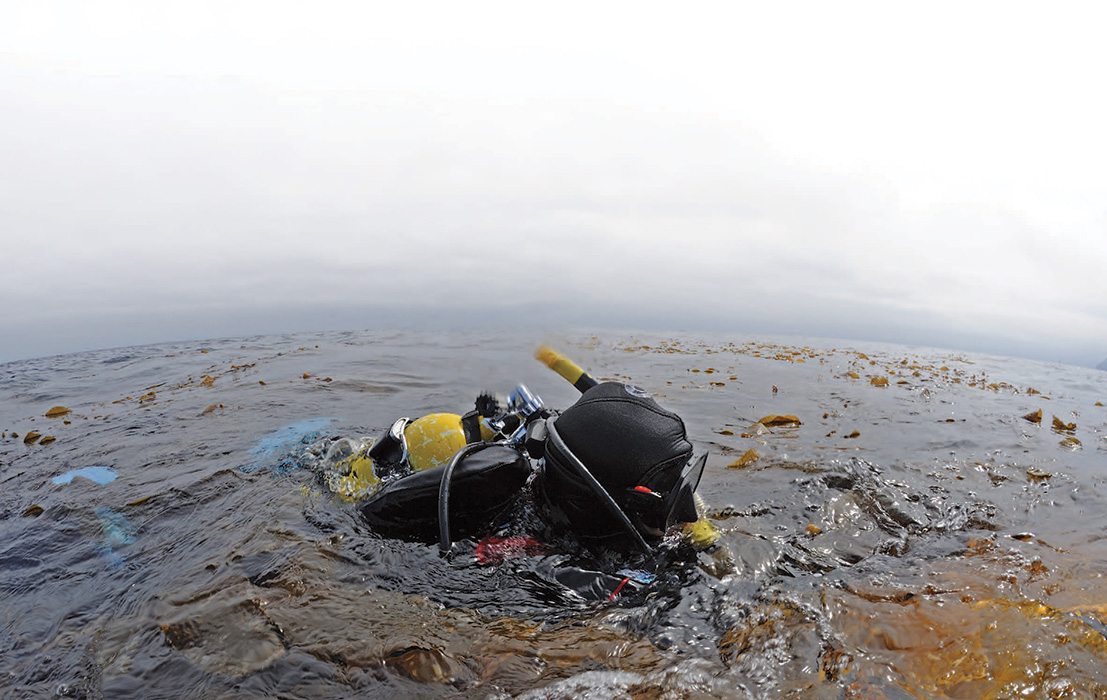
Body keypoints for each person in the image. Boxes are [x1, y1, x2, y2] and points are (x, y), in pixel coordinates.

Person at [318, 347, 718, 602]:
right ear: (591, 505)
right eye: (665, 503)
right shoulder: (524, 550)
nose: (686, 515)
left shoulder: (594, 506)